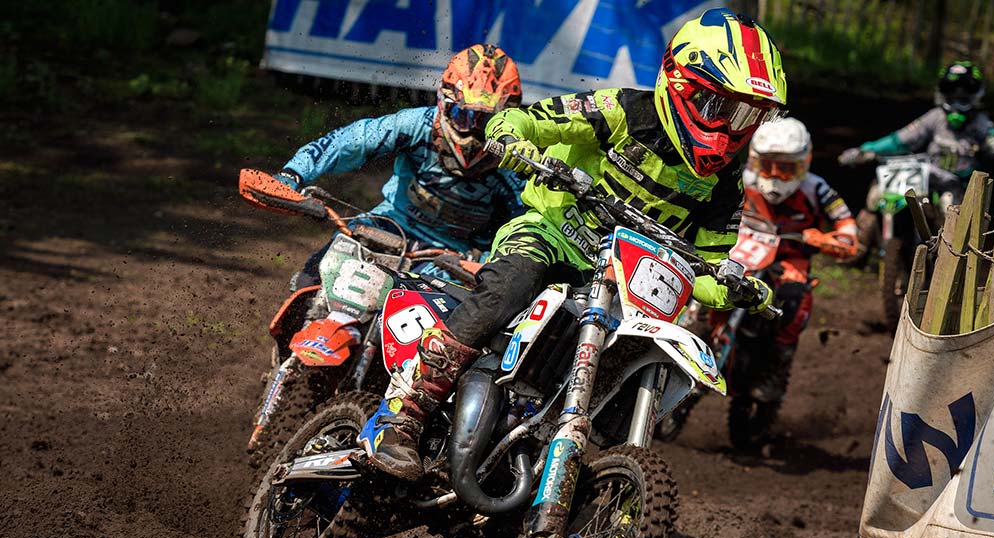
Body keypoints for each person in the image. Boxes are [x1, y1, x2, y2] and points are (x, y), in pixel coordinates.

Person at [359, 8, 787, 480]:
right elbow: (530, 121)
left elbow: (707, 265)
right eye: (718, 107)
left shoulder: (726, 184)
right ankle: (406, 416)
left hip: (624, 281)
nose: (730, 128)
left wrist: (734, 286)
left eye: (747, 114)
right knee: (511, 283)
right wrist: (510, 138)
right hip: (552, 235)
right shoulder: (623, 110)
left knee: (637, 352)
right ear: (679, 85)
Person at [272, 44, 528, 288]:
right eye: (464, 116)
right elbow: (351, 140)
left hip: (456, 259)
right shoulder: (416, 125)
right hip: (387, 226)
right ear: (443, 102)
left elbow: (526, 230)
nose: (473, 132)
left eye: (488, 123)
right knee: (309, 283)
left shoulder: (517, 166)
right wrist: (292, 174)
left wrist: (494, 262)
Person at [738, 117, 858, 403]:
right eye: (768, 165)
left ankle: (776, 371)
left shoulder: (817, 189)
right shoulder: (739, 179)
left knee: (794, 304)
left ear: (802, 164)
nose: (775, 175)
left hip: (791, 259)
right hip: (742, 250)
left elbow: (846, 223)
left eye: (786, 168)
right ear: (756, 161)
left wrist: (835, 240)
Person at [839, 60, 994, 261]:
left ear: (976, 93)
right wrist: (866, 150)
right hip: (927, 178)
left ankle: (953, 261)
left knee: (952, 214)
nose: (958, 96)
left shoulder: (982, 124)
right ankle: (859, 246)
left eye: (965, 91)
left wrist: (989, 153)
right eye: (952, 90)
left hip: (957, 186)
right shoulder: (935, 117)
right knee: (878, 192)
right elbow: (901, 139)